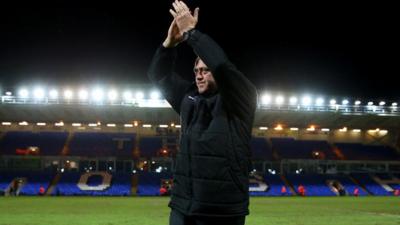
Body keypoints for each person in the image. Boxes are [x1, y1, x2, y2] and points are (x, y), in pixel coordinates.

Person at [147, 1, 257, 224]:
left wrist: (191, 33)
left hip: (222, 209)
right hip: (182, 205)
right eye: (196, 70)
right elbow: (158, 76)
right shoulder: (189, 98)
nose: (199, 75)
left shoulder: (240, 99)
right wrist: (168, 45)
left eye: (205, 71)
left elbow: (223, 66)